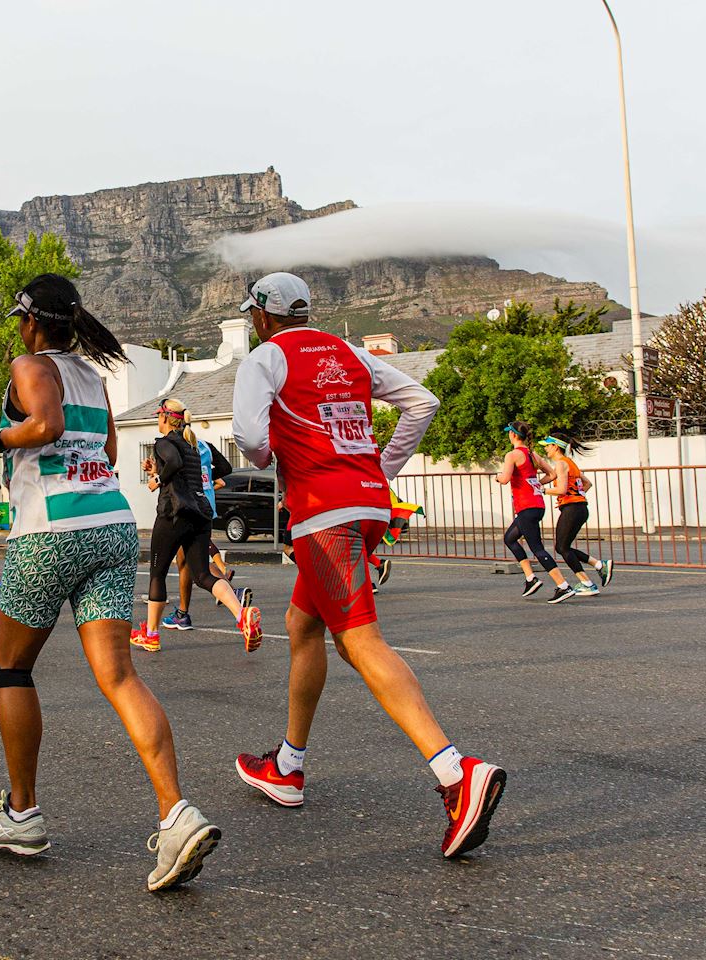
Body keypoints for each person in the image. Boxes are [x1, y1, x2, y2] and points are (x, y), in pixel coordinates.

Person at [231, 272, 505, 859]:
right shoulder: (349, 353)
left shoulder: (265, 359)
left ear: (261, 315)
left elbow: (249, 437)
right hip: (369, 502)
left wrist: (278, 456)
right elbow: (422, 402)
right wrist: (383, 464)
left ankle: (457, 773)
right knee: (303, 626)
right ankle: (288, 763)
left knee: (359, 642)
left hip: (322, 513)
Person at [0, 273, 218, 890]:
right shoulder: (91, 375)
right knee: (120, 675)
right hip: (110, 526)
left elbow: (46, 427)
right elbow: (103, 448)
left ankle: (21, 814)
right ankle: (176, 814)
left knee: (13, 669)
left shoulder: (31, 365)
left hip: (50, 532)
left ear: (30, 322)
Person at [131, 399, 260, 654]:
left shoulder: (165, 442)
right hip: (201, 513)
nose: (157, 421)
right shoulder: (197, 444)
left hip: (174, 513)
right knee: (202, 575)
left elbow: (174, 464)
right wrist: (169, 472)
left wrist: (158, 478)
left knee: (157, 573)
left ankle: (152, 635)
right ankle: (241, 616)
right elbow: (224, 467)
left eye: (158, 416)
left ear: (166, 418)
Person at [160, 432, 236, 632]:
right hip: (206, 505)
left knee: (196, 564)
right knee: (186, 561)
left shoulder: (176, 445)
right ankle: (183, 613)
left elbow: (173, 467)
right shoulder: (204, 445)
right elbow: (226, 468)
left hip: (187, 506)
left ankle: (231, 591)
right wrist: (208, 478)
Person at [497, 422, 574, 604]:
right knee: (509, 538)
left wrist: (497, 477)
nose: (509, 436)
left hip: (526, 506)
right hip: (536, 505)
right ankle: (531, 578)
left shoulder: (512, 455)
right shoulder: (533, 454)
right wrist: (538, 485)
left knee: (537, 548)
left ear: (514, 435)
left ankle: (563, 586)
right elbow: (552, 474)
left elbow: (506, 478)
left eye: (510, 433)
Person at [540, 433, 614, 595]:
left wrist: (543, 490)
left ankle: (587, 583)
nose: (545, 448)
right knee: (563, 547)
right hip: (579, 508)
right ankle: (599, 565)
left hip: (573, 509)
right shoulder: (569, 463)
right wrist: (572, 498)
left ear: (555, 446)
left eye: (547, 445)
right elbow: (587, 483)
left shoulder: (560, 464)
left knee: (561, 547)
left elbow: (562, 489)